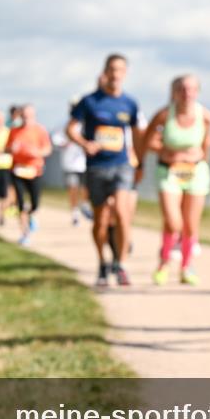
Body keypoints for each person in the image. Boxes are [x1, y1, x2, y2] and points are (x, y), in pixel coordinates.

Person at [66, 54, 145, 287]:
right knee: (100, 221)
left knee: (122, 213)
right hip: (97, 167)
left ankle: (121, 264)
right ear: (105, 71)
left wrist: (139, 161)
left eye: (120, 70)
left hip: (121, 165)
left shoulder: (130, 103)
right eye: (111, 69)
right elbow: (71, 129)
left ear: (125, 73)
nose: (115, 74)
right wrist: (85, 144)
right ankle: (102, 262)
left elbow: (138, 134)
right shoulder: (89, 102)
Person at [145, 74, 210, 286]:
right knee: (174, 222)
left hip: (196, 173)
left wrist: (200, 159)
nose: (187, 94)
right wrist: (167, 151)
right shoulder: (164, 115)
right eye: (182, 89)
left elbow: (207, 143)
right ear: (174, 92)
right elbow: (149, 141)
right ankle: (164, 262)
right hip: (169, 173)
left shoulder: (205, 116)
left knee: (191, 225)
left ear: (197, 92)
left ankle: (186, 267)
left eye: (192, 89)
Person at [6, 104, 52, 245]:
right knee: (20, 203)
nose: (26, 118)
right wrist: (11, 149)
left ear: (33, 115)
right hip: (18, 170)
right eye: (24, 115)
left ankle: (32, 215)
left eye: (29, 115)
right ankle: (25, 234)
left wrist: (37, 152)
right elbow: (6, 149)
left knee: (35, 204)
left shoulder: (40, 130)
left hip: (35, 170)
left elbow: (48, 149)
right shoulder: (14, 131)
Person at [51, 99, 90, 226]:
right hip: (69, 163)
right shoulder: (64, 124)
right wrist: (65, 143)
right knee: (73, 188)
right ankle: (75, 212)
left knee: (86, 188)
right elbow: (55, 139)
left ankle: (84, 205)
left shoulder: (87, 123)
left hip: (86, 163)